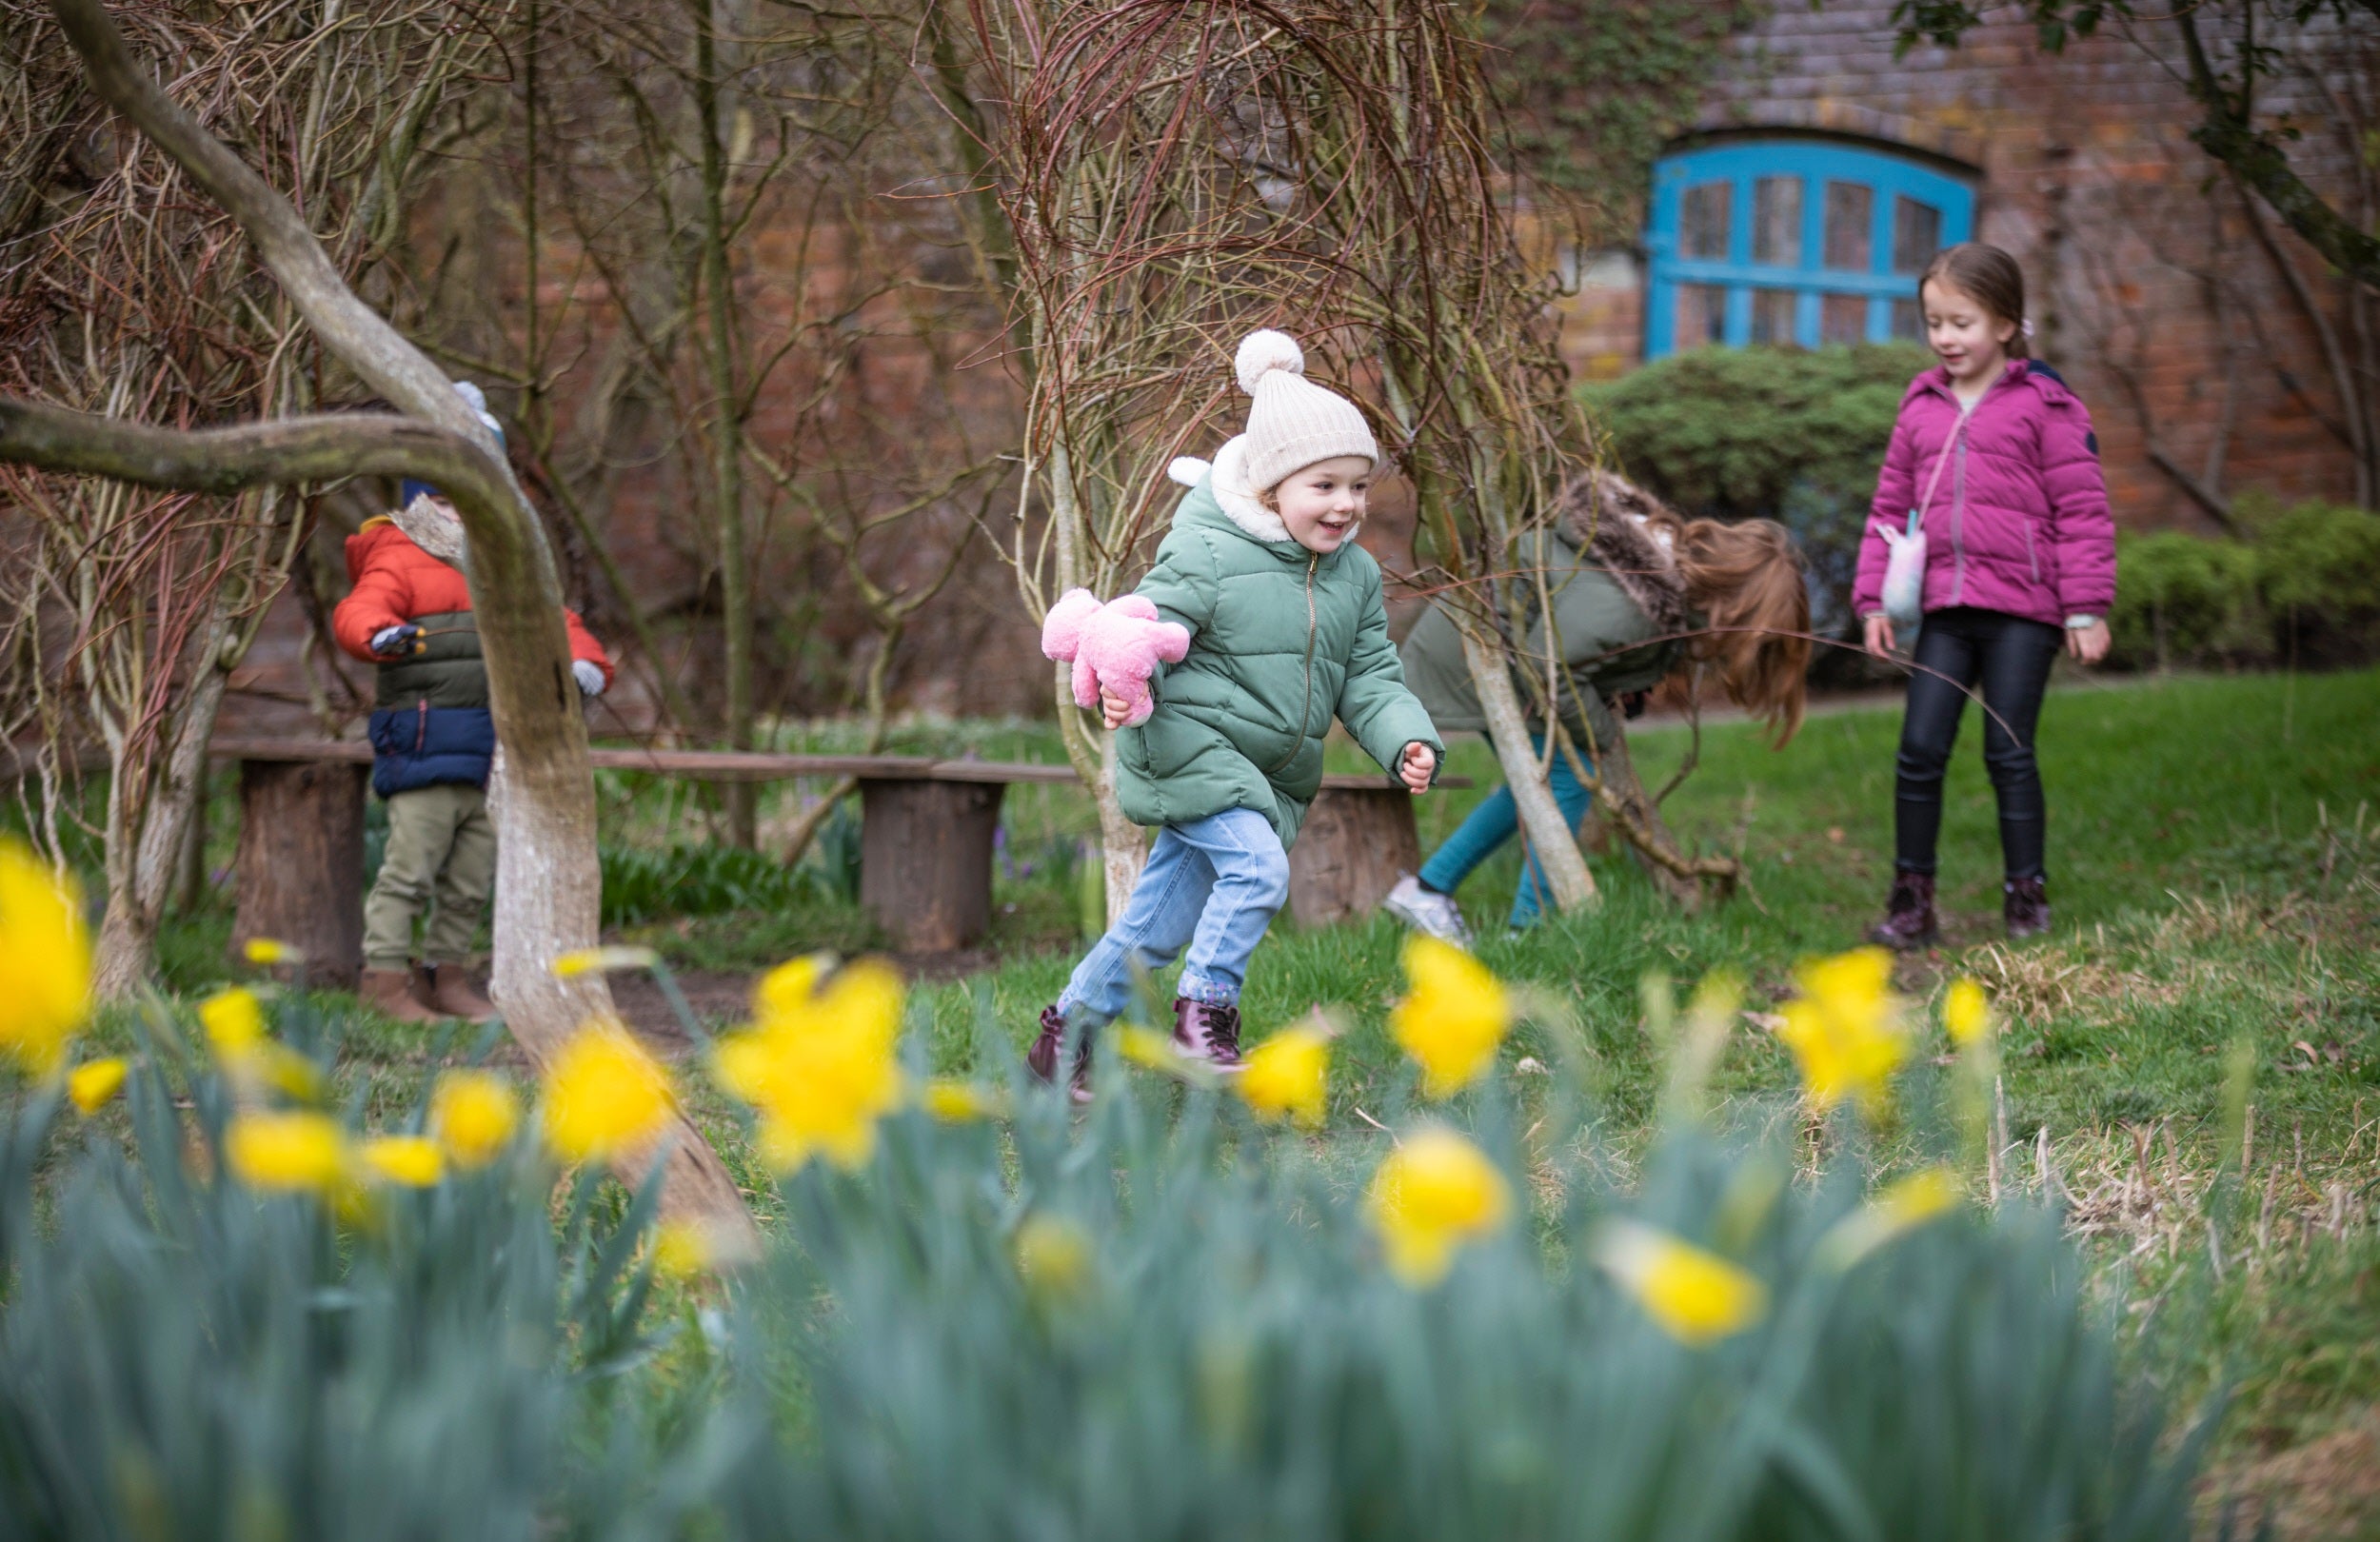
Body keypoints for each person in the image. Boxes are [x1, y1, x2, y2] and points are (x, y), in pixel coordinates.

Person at [1028, 330, 1443, 1095]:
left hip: (1264, 771)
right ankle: (1204, 1017)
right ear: (1270, 488)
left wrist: (1405, 737)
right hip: (1194, 748)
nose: (1346, 504)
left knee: (1150, 933)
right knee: (1257, 869)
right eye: (1323, 485)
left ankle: (1061, 1047)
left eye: (1358, 486)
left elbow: (1370, 675)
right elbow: (1148, 620)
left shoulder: (1351, 575)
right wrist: (1124, 679)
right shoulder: (1211, 550)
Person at [1386, 470, 1810, 940]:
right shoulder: (1632, 603)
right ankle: (1526, 930)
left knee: (1536, 786)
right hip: (1477, 657)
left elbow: (1579, 643)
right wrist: (1600, 732)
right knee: (1564, 780)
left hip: (1484, 648)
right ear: (1731, 606)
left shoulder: (1655, 571)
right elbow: (1554, 664)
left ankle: (1429, 890)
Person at [1854, 242, 2114, 948]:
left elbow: (2083, 510)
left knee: (2008, 753)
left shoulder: (2047, 405)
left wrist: (2085, 608)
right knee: (1919, 749)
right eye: (1934, 322)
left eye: (1960, 322)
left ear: (2006, 324)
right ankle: (1912, 901)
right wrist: (1874, 601)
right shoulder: (1921, 405)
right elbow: (1890, 506)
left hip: (2024, 612)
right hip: (1946, 611)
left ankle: (2025, 897)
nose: (1945, 337)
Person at [333, 382, 615, 1022]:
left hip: (493, 749)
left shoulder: (506, 553)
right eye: (444, 488)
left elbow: (553, 617)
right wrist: (379, 634)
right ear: (421, 488)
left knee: (468, 878)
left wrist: (583, 662)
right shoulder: (399, 552)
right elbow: (359, 609)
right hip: (426, 739)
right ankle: (384, 982)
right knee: (410, 868)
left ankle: (448, 976)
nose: (459, 503)